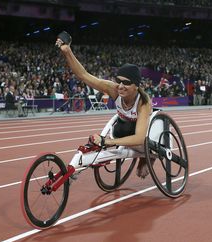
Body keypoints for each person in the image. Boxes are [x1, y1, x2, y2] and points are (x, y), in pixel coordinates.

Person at [56, 31, 153, 179]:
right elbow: (84, 75)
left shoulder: (143, 103)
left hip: (142, 135)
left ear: (136, 86)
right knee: (119, 130)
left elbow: (139, 138)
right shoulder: (113, 89)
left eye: (126, 83)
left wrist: (108, 141)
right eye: (118, 81)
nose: (120, 86)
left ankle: (145, 158)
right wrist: (67, 52)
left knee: (140, 142)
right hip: (122, 127)